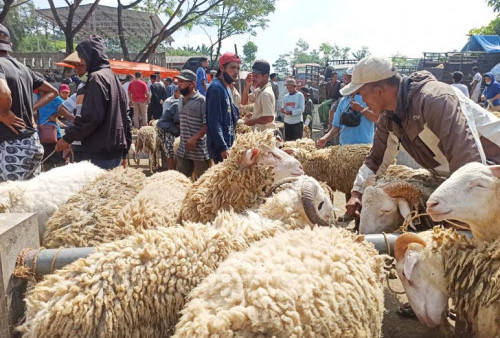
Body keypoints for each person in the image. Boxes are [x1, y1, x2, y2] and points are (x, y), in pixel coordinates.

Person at [338, 56, 500, 221]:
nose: (362, 100)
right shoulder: (388, 118)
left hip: (491, 170)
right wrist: (357, 192)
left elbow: (467, 157)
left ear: (380, 91)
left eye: (362, 94)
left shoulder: (435, 99)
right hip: (470, 179)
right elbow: (376, 159)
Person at [55, 35, 131, 170]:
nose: (78, 65)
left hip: (99, 153)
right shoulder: (113, 78)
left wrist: (67, 138)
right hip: (114, 152)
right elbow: (126, 118)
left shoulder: (96, 78)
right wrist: (125, 151)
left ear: (91, 56)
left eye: (81, 58)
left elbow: (92, 117)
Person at [0, 24, 58, 181]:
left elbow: (4, 92)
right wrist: (30, 108)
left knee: (10, 200)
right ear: (9, 46)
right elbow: (53, 91)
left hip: (10, 147)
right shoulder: (23, 68)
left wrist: (3, 113)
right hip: (31, 143)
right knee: (30, 197)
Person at [205, 52, 241, 163]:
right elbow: (214, 121)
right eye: (232, 67)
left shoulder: (227, 88)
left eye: (238, 68)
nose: (236, 72)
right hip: (221, 149)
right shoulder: (216, 88)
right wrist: (223, 148)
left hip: (229, 143)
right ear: (222, 68)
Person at [175, 69, 211, 179]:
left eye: (182, 82)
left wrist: (194, 138)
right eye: (179, 82)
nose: (179, 85)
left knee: (202, 181)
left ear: (192, 84)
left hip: (199, 150)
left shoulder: (202, 101)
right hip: (183, 148)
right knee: (181, 180)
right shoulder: (180, 100)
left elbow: (207, 124)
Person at [53, 51, 88, 163]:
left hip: (94, 144)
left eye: (80, 65)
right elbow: (62, 108)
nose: (76, 70)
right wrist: (74, 119)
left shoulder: (97, 86)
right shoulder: (82, 87)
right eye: (75, 66)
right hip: (79, 141)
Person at [36, 84, 69, 169]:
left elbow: (67, 107)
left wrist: (55, 115)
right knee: (46, 161)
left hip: (53, 134)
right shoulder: (37, 96)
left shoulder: (54, 98)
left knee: (58, 161)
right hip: (40, 134)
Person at [241, 60, 276, 130]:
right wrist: (247, 84)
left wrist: (252, 121)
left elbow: (269, 118)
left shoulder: (265, 94)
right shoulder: (259, 90)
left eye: (256, 76)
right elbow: (244, 102)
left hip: (265, 134)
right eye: (252, 75)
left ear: (266, 77)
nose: (253, 78)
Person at [157, 86, 180, 170]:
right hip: (166, 129)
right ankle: (172, 172)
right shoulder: (177, 104)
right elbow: (178, 122)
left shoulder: (180, 103)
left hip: (170, 128)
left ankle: (172, 170)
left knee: (171, 152)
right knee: (171, 152)